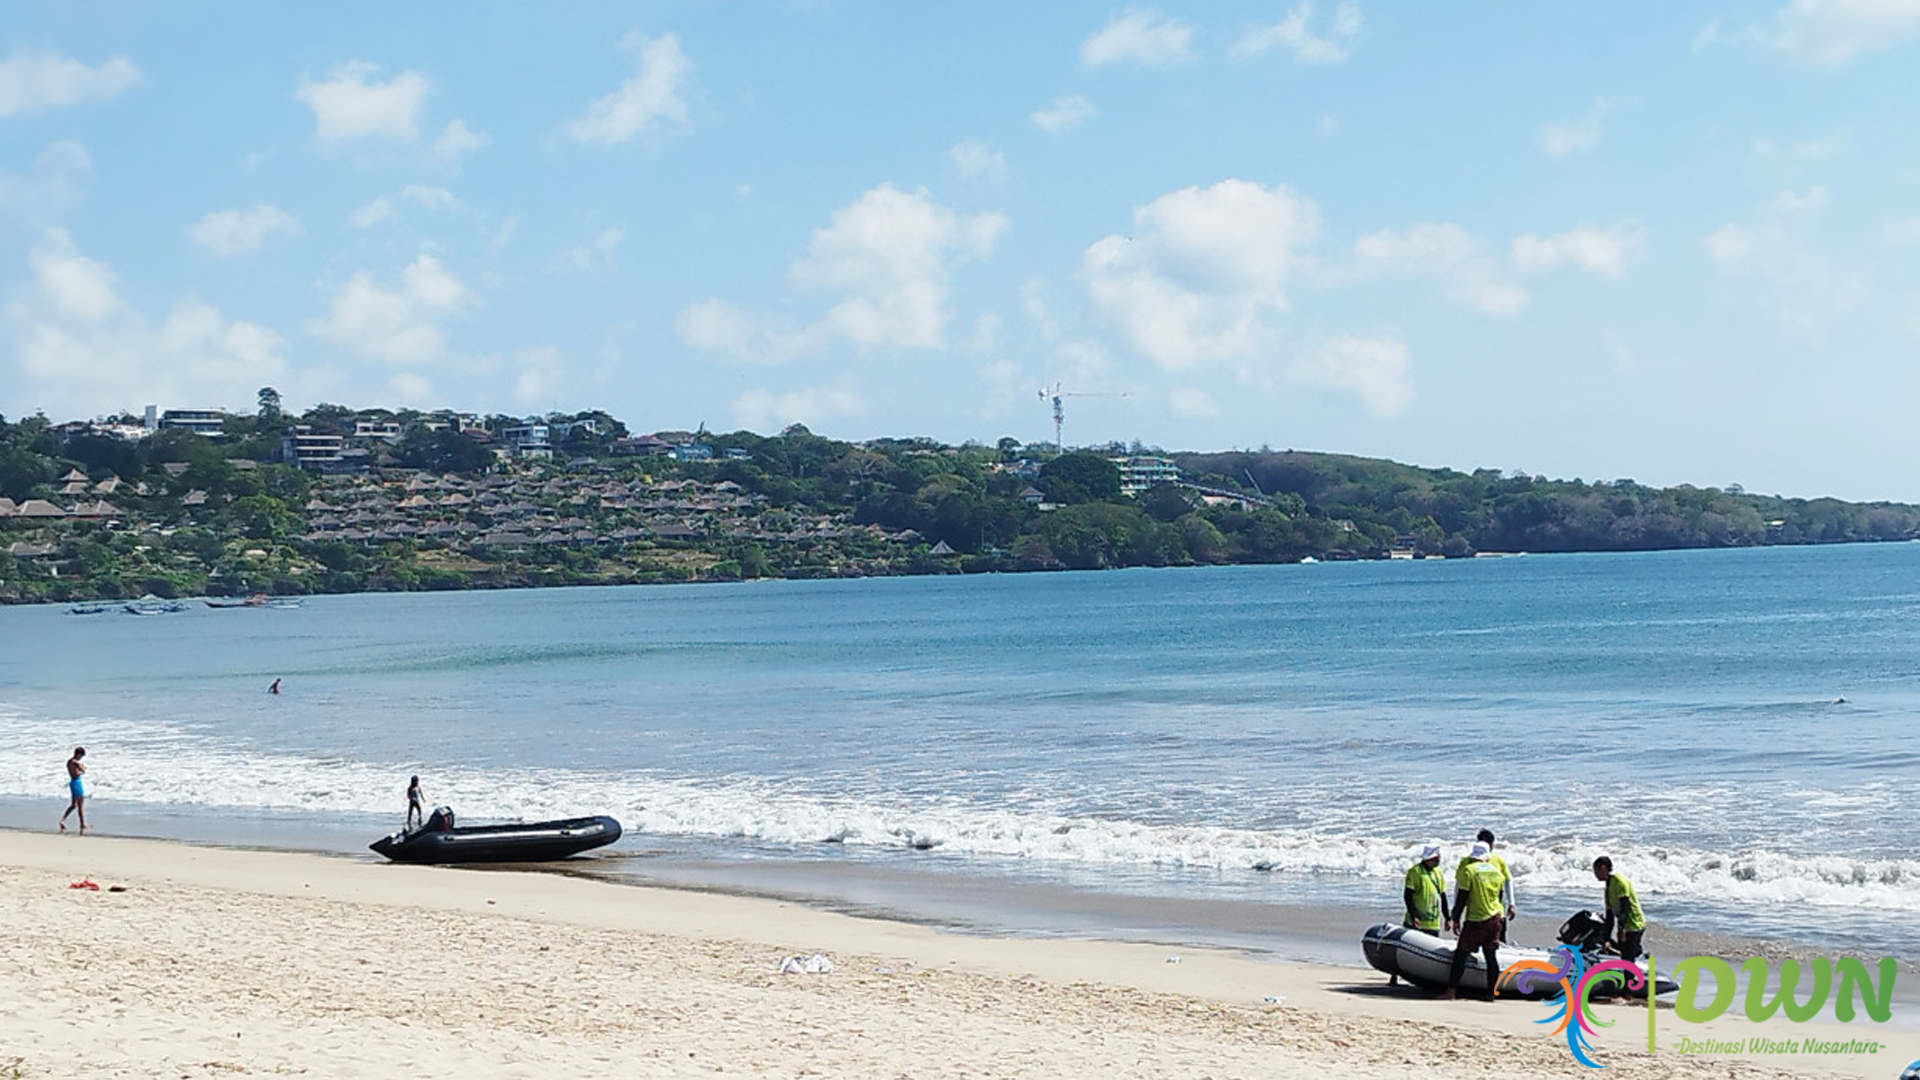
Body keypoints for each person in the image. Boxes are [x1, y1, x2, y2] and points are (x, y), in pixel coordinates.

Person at [1446, 842, 1507, 1000]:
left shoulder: (1469, 871)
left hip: (1476, 919)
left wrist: (1455, 918)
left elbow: (1463, 897)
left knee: (1461, 955)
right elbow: (1499, 897)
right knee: (1490, 956)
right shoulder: (1496, 872)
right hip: (1495, 918)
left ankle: (1451, 991)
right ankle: (1491, 993)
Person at [1395, 843, 1447, 987]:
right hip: (1416, 920)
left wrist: (1448, 917)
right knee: (1405, 950)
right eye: (1437, 857)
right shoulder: (1415, 872)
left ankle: (1426, 978)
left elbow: (1443, 896)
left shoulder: (1438, 872)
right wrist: (1414, 916)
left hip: (1433, 922)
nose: (1438, 860)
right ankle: (1394, 976)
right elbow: (1408, 896)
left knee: (1430, 952)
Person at [1592, 856, 1646, 962]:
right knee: (1623, 952)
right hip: (1625, 924)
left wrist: (1622, 930)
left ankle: (1632, 974)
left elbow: (1624, 906)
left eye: (1596, 870)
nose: (1595, 874)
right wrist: (1606, 939)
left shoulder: (1619, 881)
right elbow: (1610, 915)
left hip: (1633, 923)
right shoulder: (1608, 887)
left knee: (1627, 956)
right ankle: (1638, 956)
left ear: (1604, 868)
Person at [58, 747, 88, 833]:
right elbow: (82, 771)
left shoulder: (69, 762)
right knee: (80, 805)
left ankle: (63, 820)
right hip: (77, 782)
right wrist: (82, 767)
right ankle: (82, 823)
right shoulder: (75, 762)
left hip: (72, 782)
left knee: (74, 805)